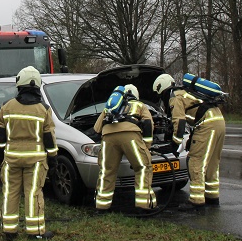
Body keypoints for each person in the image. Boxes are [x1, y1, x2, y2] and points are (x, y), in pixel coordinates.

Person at [0, 66, 58, 241]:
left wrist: (0, 156)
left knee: (10, 192)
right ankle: (35, 231)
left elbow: (0, 137)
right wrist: (53, 160)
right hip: (36, 160)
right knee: (33, 193)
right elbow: (49, 139)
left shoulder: (6, 107)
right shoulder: (43, 109)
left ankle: (9, 231)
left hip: (12, 158)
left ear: (19, 84)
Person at [153, 73, 226, 211]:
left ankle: (196, 201)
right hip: (218, 121)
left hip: (207, 124)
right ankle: (212, 197)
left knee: (196, 161)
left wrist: (175, 144)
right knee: (212, 162)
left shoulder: (175, 97)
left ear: (162, 89)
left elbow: (179, 122)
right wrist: (191, 139)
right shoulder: (185, 92)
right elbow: (195, 115)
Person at [93, 84, 157, 214]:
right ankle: (143, 205)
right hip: (131, 136)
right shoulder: (139, 105)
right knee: (143, 167)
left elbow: (96, 129)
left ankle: (102, 207)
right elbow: (149, 124)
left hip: (108, 138)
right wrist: (146, 146)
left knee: (107, 171)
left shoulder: (109, 108)